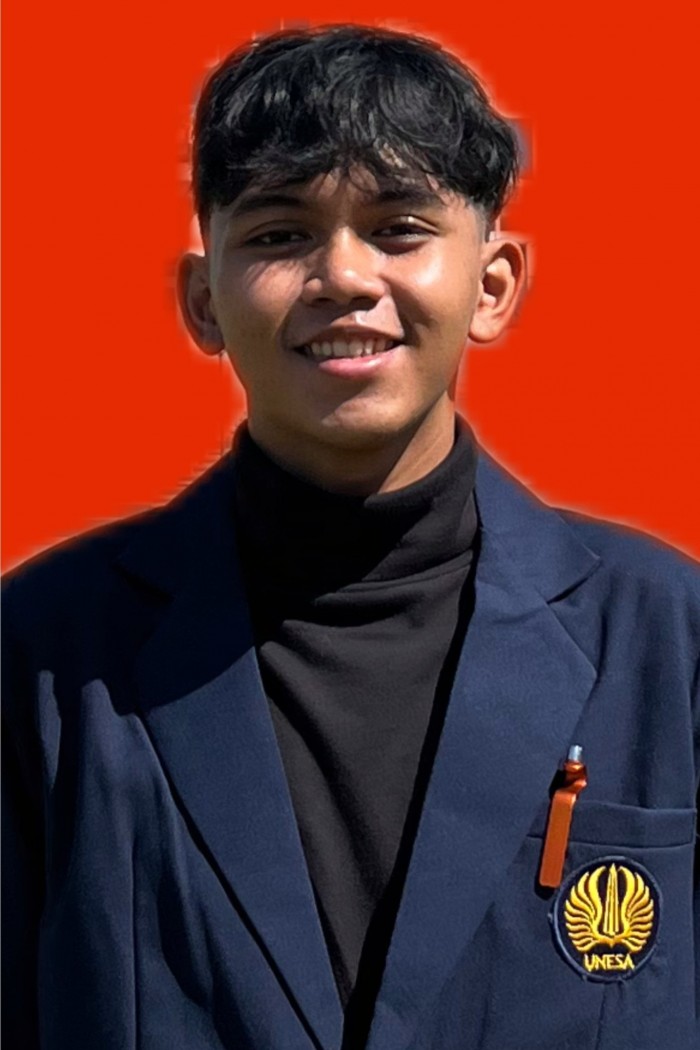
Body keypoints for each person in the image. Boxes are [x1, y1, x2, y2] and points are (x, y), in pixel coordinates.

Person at [2, 23, 698, 1050]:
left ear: (493, 284)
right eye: (279, 234)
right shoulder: (45, 654)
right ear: (203, 301)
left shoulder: (667, 636)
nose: (342, 274)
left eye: (398, 228)